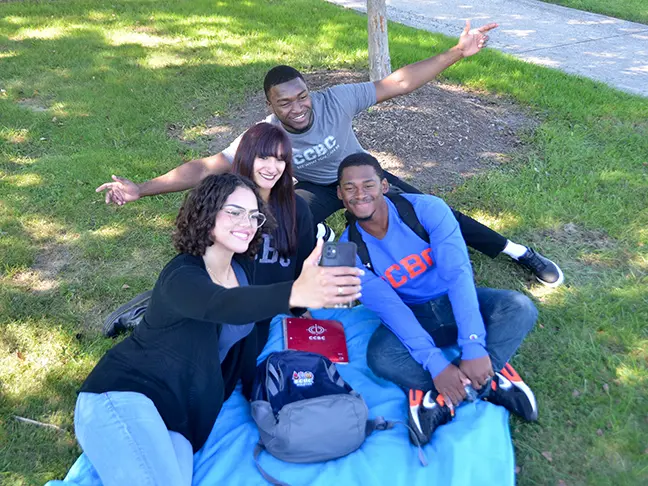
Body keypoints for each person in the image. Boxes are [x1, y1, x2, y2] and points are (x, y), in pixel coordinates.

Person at [95, 20, 563, 288]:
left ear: (308, 91)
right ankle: (262, 285)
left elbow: (399, 81)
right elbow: (205, 167)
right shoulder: (265, 134)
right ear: (271, 106)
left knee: (430, 211)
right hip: (316, 189)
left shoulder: (336, 99)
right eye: (286, 102)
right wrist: (141, 188)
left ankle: (518, 252)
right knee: (283, 225)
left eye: (302, 97)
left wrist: (456, 53)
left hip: (356, 174)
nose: (298, 108)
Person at [53, 173, 362, 486]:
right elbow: (221, 304)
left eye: (254, 215)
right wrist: (293, 293)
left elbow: (248, 334)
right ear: (206, 212)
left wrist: (278, 393)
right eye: (234, 211)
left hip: (179, 421)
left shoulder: (243, 270)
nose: (247, 222)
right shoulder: (182, 275)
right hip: (126, 395)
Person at [336, 152, 539, 444]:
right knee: (380, 357)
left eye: (367, 185)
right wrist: (435, 364)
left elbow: (458, 275)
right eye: (350, 188)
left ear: (384, 185)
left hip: (453, 302)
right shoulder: (348, 252)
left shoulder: (427, 209)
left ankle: (468, 380)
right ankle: (479, 382)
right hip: (414, 313)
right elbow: (392, 309)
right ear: (340, 194)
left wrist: (472, 344)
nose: (359, 195)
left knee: (519, 307)